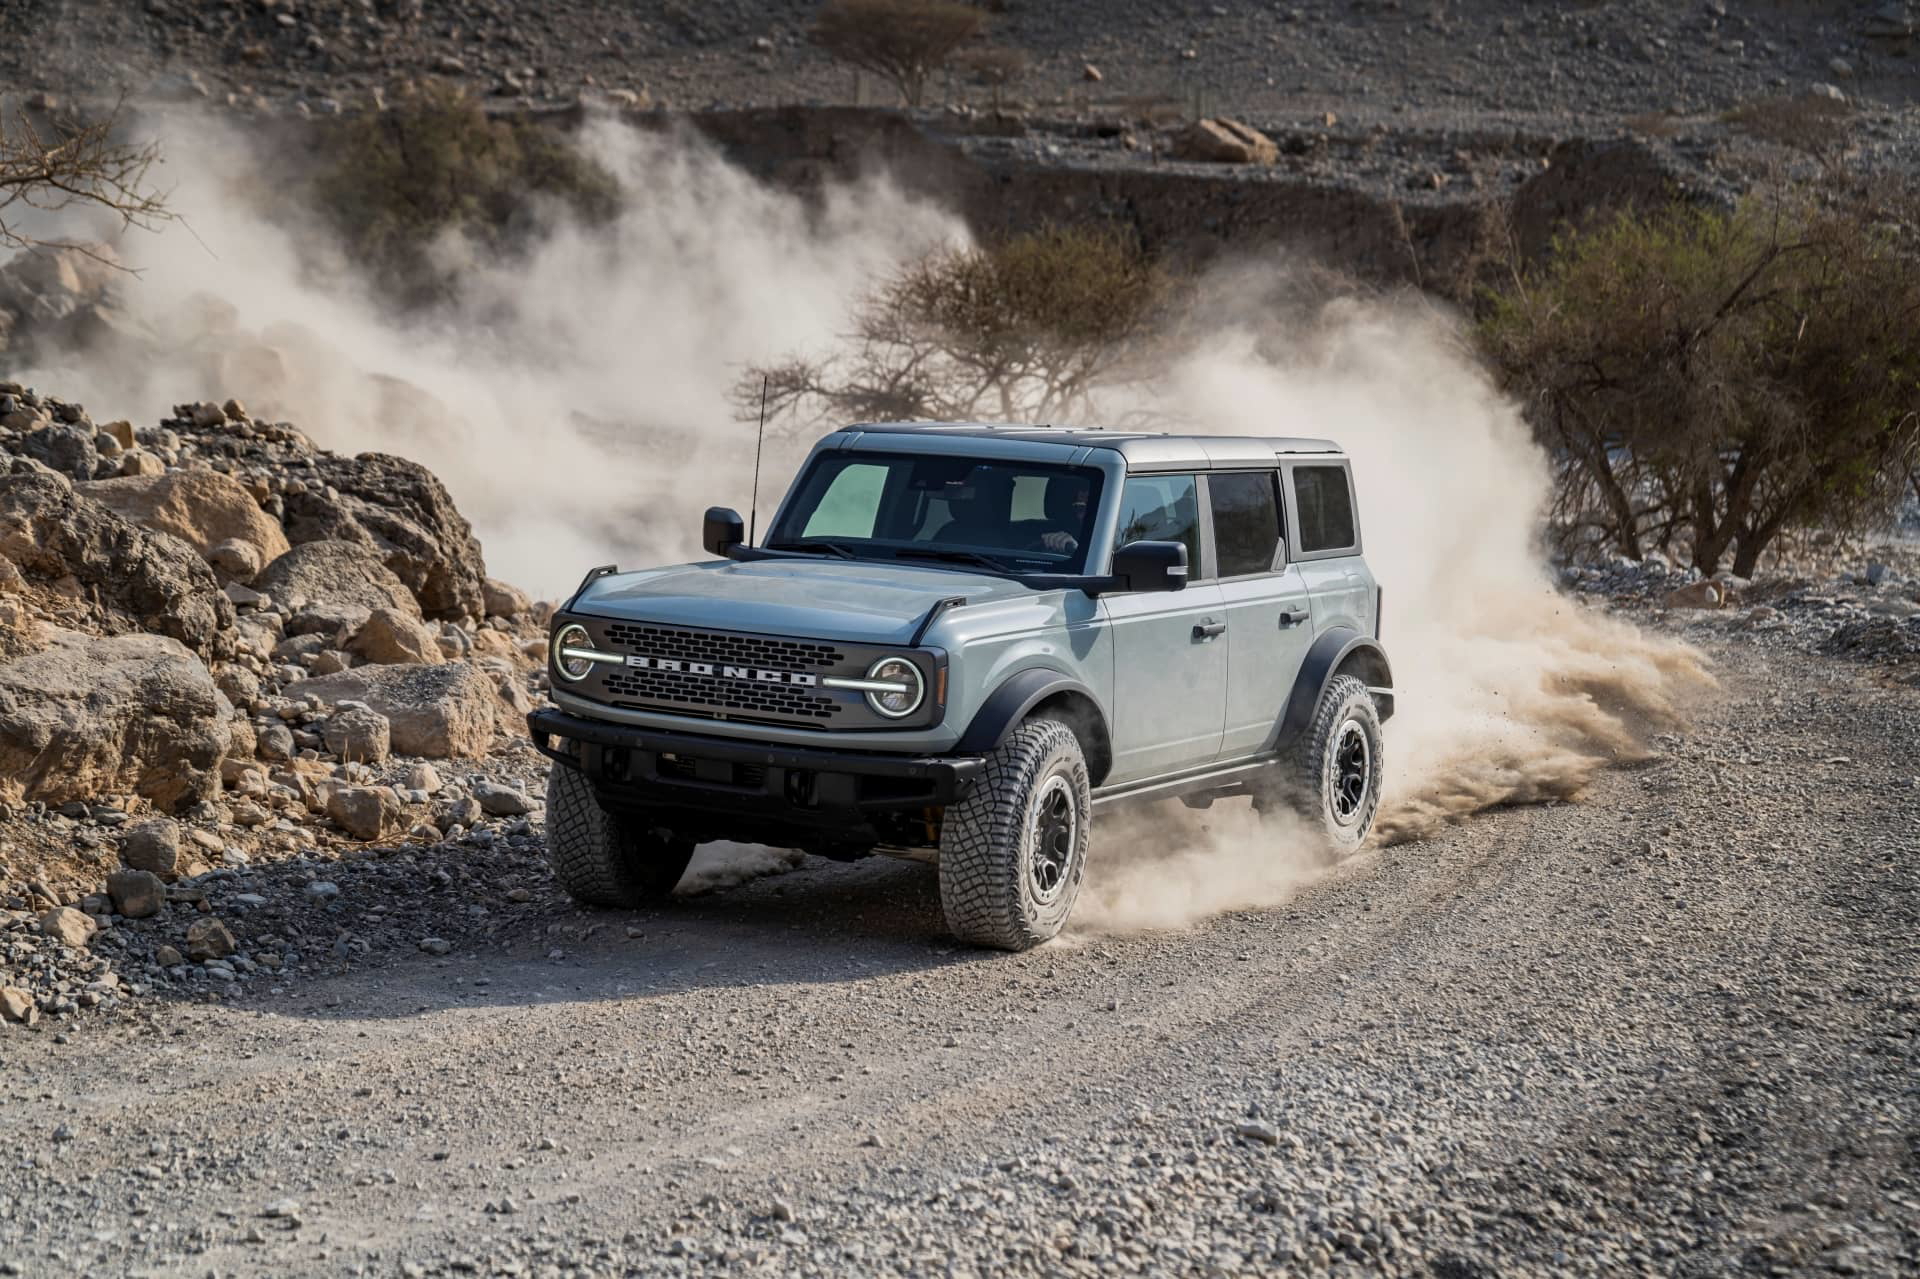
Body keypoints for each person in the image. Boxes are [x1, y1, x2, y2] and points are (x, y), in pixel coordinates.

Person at [1037, 477, 1091, 553]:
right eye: (1080, 508)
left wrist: (1075, 549)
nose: (1086, 514)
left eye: (1093, 508)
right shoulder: (1044, 538)